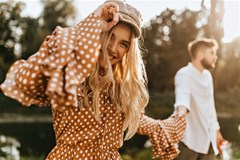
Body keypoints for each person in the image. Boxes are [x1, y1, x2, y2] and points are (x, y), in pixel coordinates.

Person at [1, 0, 186, 159]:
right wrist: (92, 22)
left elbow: (136, 120)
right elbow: (24, 80)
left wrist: (166, 124)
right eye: (109, 36)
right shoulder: (71, 72)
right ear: (99, 33)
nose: (113, 48)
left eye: (123, 44)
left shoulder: (120, 87)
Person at [173, 38, 226, 160]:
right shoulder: (184, 74)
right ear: (200, 55)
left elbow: (210, 106)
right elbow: (182, 97)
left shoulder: (208, 76)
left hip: (209, 138)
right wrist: (180, 114)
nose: (215, 57)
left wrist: (217, 130)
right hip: (188, 140)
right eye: (212, 53)